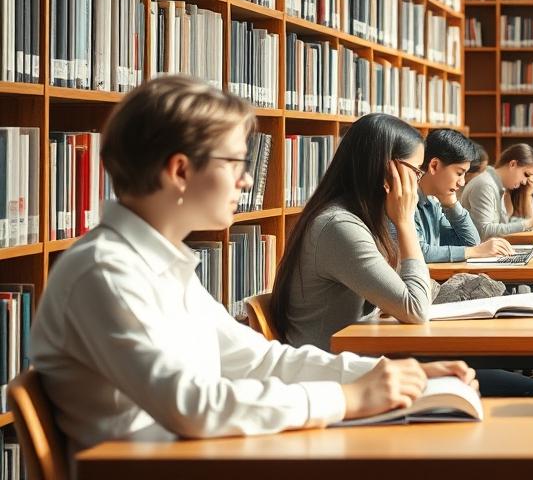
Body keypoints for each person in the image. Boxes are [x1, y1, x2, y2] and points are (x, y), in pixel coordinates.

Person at [31, 76, 473, 454]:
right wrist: (345, 399)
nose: (246, 179)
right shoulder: (106, 272)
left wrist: (379, 374)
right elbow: (194, 407)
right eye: (236, 162)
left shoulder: (157, 265)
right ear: (180, 171)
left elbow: (258, 359)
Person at [271, 115, 533, 397]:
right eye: (416, 171)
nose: (417, 183)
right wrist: (404, 221)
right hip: (338, 380)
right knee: (529, 390)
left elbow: (406, 292)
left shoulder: (359, 218)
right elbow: (416, 308)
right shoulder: (340, 226)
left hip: (362, 361)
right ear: (387, 169)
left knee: (478, 370)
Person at [415, 128, 513, 262]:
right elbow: (416, 252)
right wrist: (474, 251)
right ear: (434, 166)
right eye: (459, 173)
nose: (462, 183)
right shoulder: (405, 200)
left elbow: (471, 242)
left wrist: (453, 206)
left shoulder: (433, 203)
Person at [459, 143, 533, 239]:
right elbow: (484, 231)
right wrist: (530, 223)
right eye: (526, 174)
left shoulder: (496, 184)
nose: (525, 182)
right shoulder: (486, 185)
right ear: (512, 164)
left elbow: (504, 224)